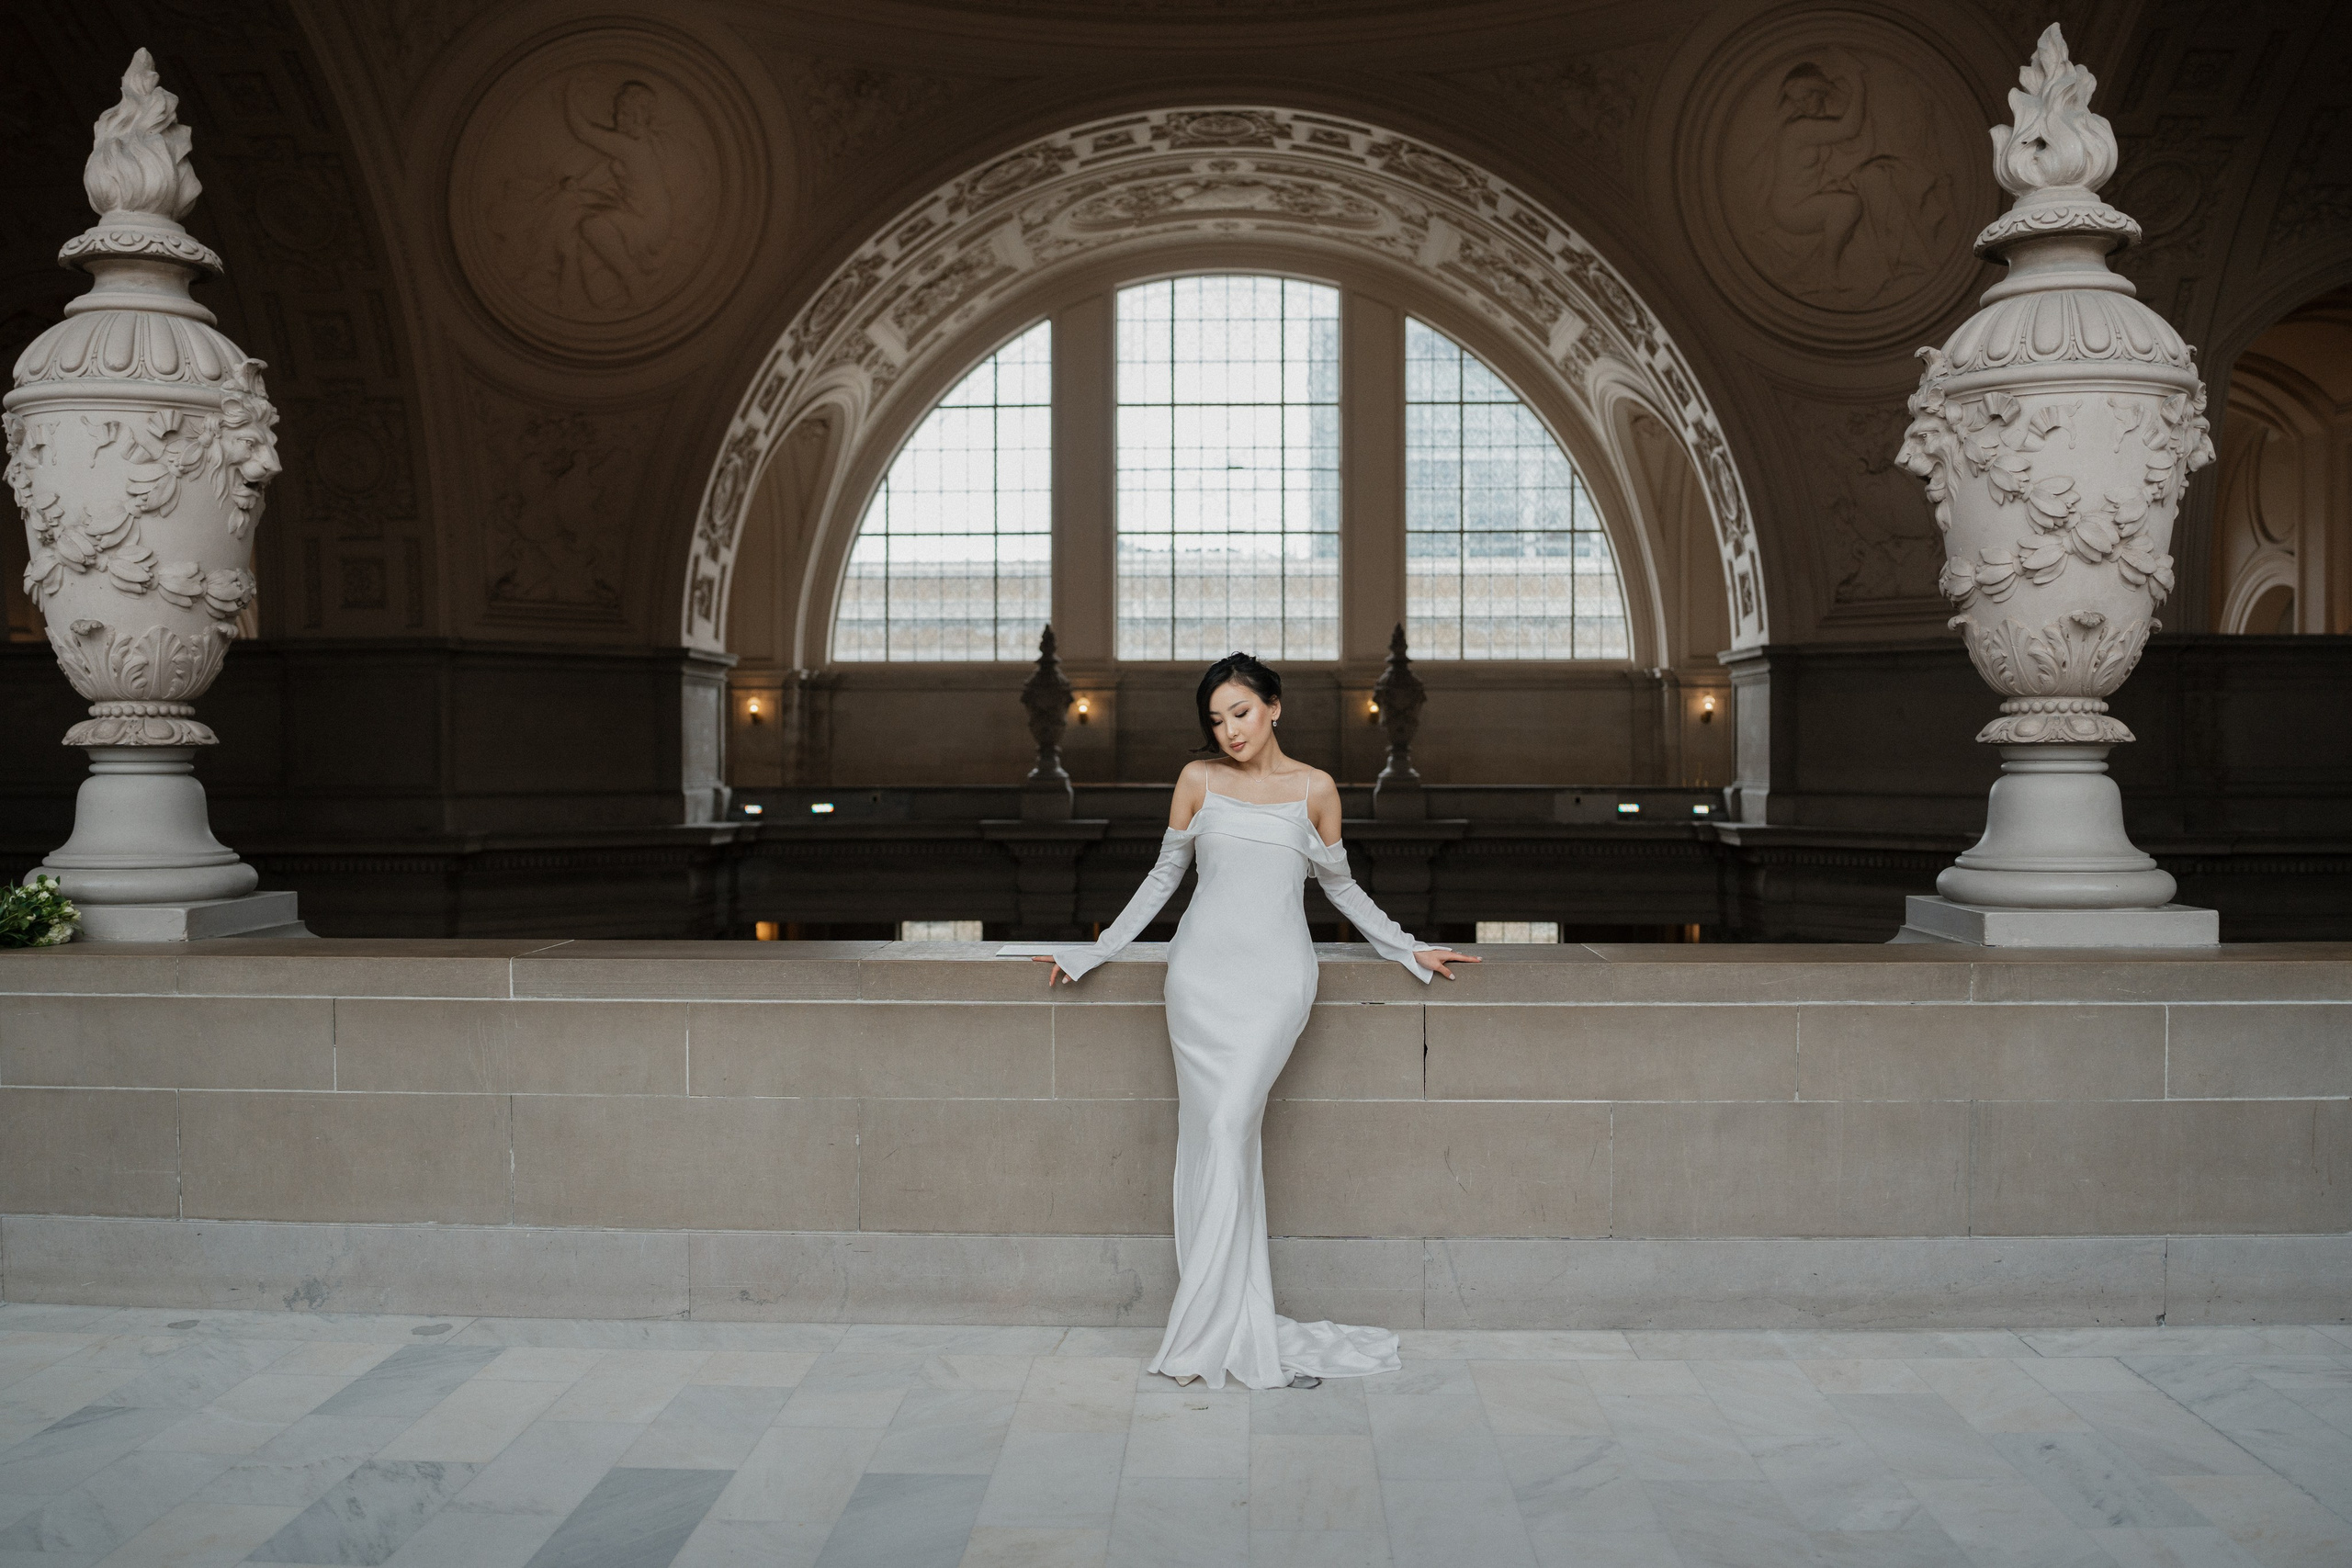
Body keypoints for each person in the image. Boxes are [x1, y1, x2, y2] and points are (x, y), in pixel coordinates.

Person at [1033, 653, 1477, 1390]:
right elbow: (1161, 879)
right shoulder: (1196, 781)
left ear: (1274, 706)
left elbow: (1342, 888)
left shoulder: (1315, 790)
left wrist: (1406, 947)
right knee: (1211, 1141)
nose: (1229, 730)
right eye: (1216, 718)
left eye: (1240, 711)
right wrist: (1097, 950)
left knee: (1230, 1126)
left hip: (1275, 985)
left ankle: (1215, 1326)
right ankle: (1220, 1323)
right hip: (1199, 983)